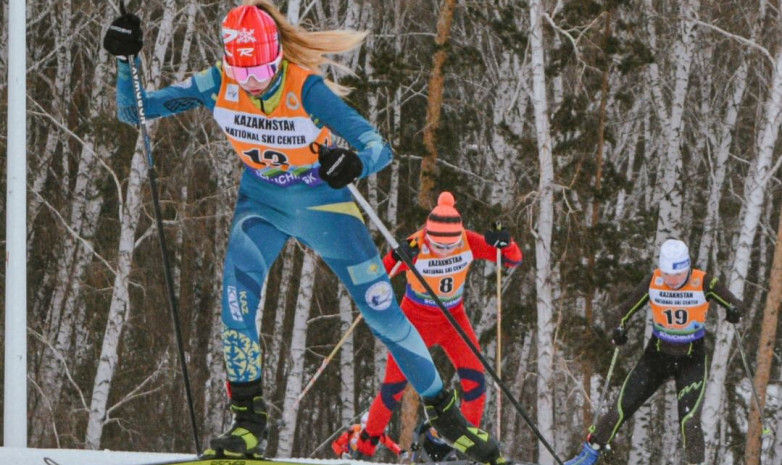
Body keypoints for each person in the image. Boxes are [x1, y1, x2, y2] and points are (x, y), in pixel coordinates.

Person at [102, 2, 507, 462]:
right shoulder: (217, 81)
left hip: (325, 206)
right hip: (262, 205)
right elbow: (135, 112)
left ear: (277, 57)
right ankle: (248, 423)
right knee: (236, 304)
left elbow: (379, 147)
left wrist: (354, 162)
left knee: (382, 313)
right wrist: (125, 61)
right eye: (244, 71)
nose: (254, 81)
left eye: (263, 70)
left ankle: (446, 415)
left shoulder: (305, 88)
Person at [354, 192, 522, 460]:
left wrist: (507, 243)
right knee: (392, 388)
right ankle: (363, 451)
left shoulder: (468, 240)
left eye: (450, 246)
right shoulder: (417, 243)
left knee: (475, 382)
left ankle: (465, 452)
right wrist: (396, 257)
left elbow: (513, 260)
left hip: (453, 320)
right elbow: (378, 280)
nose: (444, 251)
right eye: (437, 245)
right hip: (413, 320)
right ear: (427, 234)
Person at [563, 239, 743, 465]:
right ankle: (587, 455)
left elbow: (735, 303)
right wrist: (618, 328)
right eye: (667, 275)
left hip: (691, 360)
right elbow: (624, 310)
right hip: (657, 357)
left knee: (689, 421)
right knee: (620, 407)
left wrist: (734, 311)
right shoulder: (654, 281)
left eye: (677, 276)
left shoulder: (702, 281)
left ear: (687, 268)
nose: (672, 281)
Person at [332, 413, 401, 459]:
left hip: (365, 458)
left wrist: (400, 451)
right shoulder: (354, 429)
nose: (367, 431)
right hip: (349, 457)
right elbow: (335, 444)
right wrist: (342, 453)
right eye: (364, 428)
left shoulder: (375, 433)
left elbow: (389, 443)